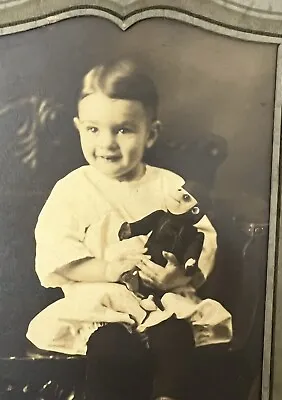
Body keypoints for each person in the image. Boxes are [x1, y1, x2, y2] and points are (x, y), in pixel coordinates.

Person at [26, 58, 233, 400]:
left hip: (163, 301)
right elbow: (57, 252)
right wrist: (107, 268)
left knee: (176, 339)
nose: (107, 143)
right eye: (94, 129)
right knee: (110, 348)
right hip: (104, 304)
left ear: (150, 133)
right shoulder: (72, 189)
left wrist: (178, 276)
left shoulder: (170, 186)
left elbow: (202, 238)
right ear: (79, 128)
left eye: (123, 129)